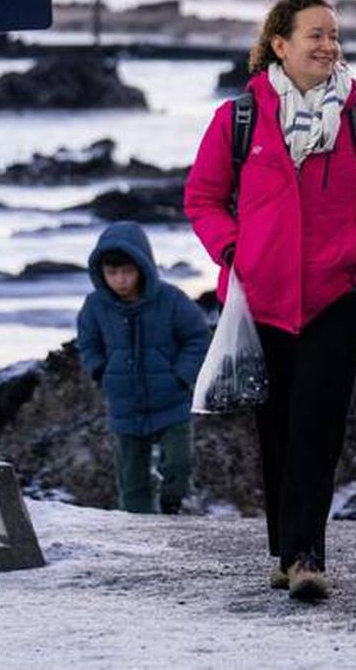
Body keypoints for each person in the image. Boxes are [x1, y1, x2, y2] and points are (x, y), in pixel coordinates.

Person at [185, 0, 356, 603]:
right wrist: (233, 251)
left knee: (317, 421)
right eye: (315, 35)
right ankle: (285, 551)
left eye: (333, 35)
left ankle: (308, 555)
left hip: (340, 297)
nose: (328, 46)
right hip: (259, 299)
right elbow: (202, 199)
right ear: (279, 45)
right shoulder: (238, 119)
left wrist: (354, 252)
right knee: (277, 425)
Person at [76, 221, 211, 515]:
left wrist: (182, 375)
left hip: (171, 400)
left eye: (127, 271)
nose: (120, 279)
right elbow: (87, 344)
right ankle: (136, 527)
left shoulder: (171, 299)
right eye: (112, 273)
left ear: (143, 267)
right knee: (131, 477)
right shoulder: (94, 306)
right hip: (124, 405)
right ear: (101, 273)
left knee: (179, 463)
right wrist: (100, 370)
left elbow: (198, 337)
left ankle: (173, 504)